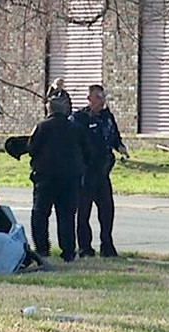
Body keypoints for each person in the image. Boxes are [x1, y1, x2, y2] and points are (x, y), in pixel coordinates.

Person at [27, 94, 87, 261]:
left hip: (45, 178)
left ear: (49, 109)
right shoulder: (75, 127)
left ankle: (42, 249)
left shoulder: (42, 127)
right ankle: (68, 251)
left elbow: (32, 148)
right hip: (70, 178)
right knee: (67, 215)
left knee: (40, 214)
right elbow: (85, 149)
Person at [72, 84, 129, 258]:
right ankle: (85, 248)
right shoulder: (79, 118)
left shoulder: (107, 117)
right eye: (98, 97)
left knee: (107, 210)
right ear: (89, 99)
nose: (102, 101)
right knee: (84, 212)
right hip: (86, 172)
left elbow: (114, 137)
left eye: (103, 97)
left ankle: (107, 246)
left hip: (102, 172)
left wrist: (120, 147)